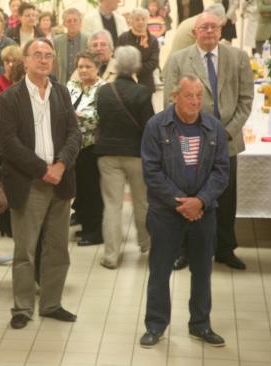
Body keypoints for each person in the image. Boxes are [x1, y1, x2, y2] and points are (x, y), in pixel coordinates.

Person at [0, 38, 82, 329]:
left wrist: (60, 165)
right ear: (26, 60)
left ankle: (51, 303)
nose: (43, 60)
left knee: (58, 248)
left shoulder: (61, 93)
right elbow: (8, 143)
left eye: (48, 55)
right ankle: (22, 307)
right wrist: (42, 169)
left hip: (60, 181)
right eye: (37, 55)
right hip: (29, 181)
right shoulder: (10, 98)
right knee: (25, 250)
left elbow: (74, 134)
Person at [139, 75, 229, 348]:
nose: (195, 101)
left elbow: (222, 171)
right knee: (160, 270)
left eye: (199, 96)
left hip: (204, 212)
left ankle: (200, 325)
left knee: (202, 271)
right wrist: (183, 203)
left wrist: (200, 201)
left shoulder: (213, 127)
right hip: (166, 213)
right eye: (189, 96)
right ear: (174, 97)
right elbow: (151, 171)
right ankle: (155, 325)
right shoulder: (157, 126)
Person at [164, 11, 254, 270]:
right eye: (204, 27)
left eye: (214, 27)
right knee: (188, 195)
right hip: (190, 141)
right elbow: (170, 101)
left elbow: (246, 100)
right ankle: (186, 250)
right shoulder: (179, 60)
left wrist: (226, 132)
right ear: (195, 32)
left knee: (225, 197)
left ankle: (225, 249)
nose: (209, 32)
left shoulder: (237, 58)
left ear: (220, 30)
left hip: (228, 140)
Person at [95, 46, 153, 267]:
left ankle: (111, 256)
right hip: (137, 155)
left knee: (112, 205)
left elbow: (98, 119)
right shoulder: (142, 93)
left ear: (116, 65)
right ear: (137, 66)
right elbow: (150, 127)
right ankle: (146, 244)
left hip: (108, 155)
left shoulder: (104, 91)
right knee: (142, 203)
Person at [66, 51, 105, 246]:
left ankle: (94, 232)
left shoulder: (103, 89)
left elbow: (97, 118)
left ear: (97, 68)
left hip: (92, 147)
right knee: (79, 188)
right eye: (80, 66)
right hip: (72, 147)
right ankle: (82, 219)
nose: (83, 70)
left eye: (88, 66)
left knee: (92, 191)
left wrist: (73, 115)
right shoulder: (71, 87)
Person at [116, 7, 160, 93]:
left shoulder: (153, 40)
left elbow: (154, 62)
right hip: (125, 81)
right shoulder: (123, 38)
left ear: (147, 21)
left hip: (146, 83)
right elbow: (116, 57)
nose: (141, 22)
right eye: (137, 19)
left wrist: (135, 69)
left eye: (143, 19)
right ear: (131, 21)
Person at [54, 8, 89, 86]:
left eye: (75, 20)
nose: (72, 23)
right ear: (64, 23)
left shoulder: (88, 40)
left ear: (80, 22)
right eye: (69, 21)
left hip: (83, 84)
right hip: (62, 84)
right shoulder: (57, 41)